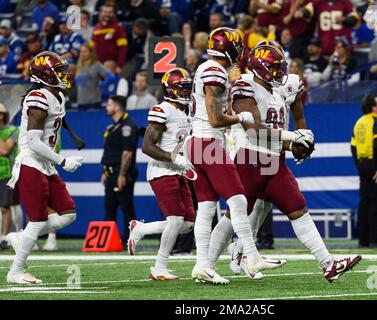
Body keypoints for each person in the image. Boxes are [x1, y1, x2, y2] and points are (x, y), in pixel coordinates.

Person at [211, 43, 361, 282]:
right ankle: (208, 264)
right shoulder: (244, 86)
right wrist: (292, 138)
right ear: (260, 67)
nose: (279, 72)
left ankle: (329, 263)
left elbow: (297, 118)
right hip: (249, 158)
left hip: (274, 160)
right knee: (234, 216)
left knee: (297, 208)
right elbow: (253, 130)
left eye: (280, 67)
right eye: (273, 67)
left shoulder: (281, 88)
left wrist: (300, 144)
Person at [187, 27, 285, 285]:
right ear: (228, 47)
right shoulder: (214, 71)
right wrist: (240, 117)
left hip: (196, 144)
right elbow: (215, 119)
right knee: (239, 200)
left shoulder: (205, 67)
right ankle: (252, 257)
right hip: (208, 142)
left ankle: (202, 265)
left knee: (207, 208)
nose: (240, 51)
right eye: (237, 46)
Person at [5, 51, 83, 284]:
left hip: (45, 164)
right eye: (58, 71)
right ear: (45, 76)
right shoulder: (38, 97)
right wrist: (63, 160)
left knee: (69, 214)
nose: (63, 74)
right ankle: (16, 271)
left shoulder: (57, 95)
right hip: (31, 162)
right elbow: (33, 141)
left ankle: (22, 237)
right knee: (38, 220)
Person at [127, 68, 195, 280]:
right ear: (170, 89)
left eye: (187, 87)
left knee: (187, 225)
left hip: (179, 171)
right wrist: (174, 158)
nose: (185, 91)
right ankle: (159, 267)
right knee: (175, 219)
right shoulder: (162, 110)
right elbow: (147, 146)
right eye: (181, 88)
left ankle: (140, 229)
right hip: (162, 170)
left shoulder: (187, 111)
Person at [351, 95, 377, 248]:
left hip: (363, 164)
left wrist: (360, 165)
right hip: (375, 165)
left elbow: (353, 147)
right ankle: (374, 239)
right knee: (376, 203)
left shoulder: (359, 122)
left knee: (364, 202)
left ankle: (363, 240)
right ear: (373, 108)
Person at [101, 95, 138, 247]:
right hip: (110, 173)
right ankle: (109, 241)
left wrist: (122, 175)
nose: (107, 107)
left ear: (117, 107)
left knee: (126, 207)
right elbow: (111, 152)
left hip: (122, 173)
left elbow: (127, 153)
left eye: (109, 104)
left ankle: (129, 240)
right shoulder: (112, 127)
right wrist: (105, 172)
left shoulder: (127, 126)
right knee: (110, 207)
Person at [0, 103, 19, 249]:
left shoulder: (14, 130)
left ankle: (4, 238)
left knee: (5, 208)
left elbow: (5, 149)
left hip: (7, 174)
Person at [91, 3, 128, 72]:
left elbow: (123, 49)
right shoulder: (96, 28)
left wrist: (120, 65)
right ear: (101, 13)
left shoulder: (118, 28)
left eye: (110, 12)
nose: (107, 14)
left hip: (112, 65)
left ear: (113, 14)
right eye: (105, 12)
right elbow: (92, 48)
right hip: (97, 64)